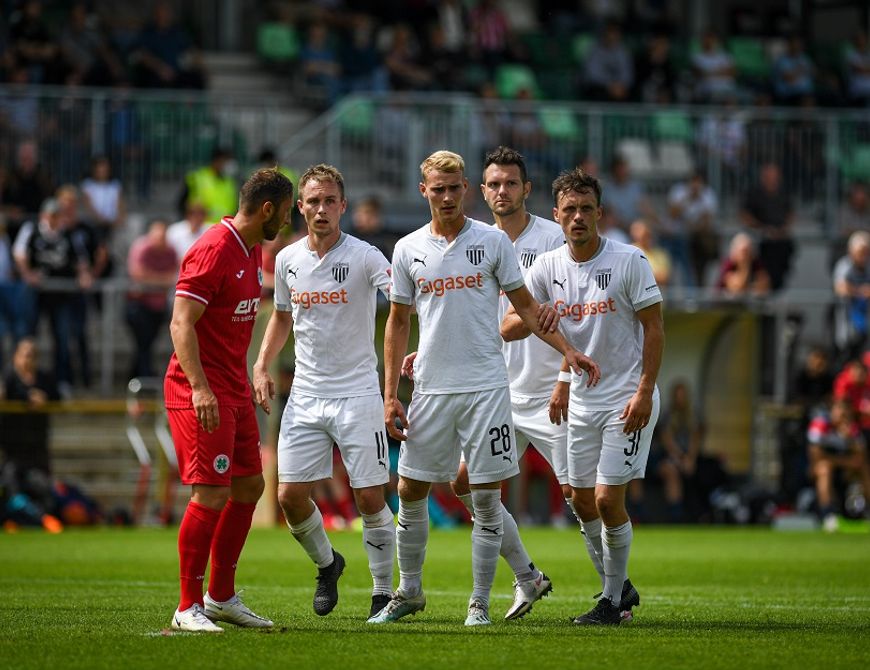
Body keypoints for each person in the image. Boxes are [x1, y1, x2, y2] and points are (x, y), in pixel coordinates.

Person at [369, 150, 599, 627]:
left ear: (465, 189)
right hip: (431, 389)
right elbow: (398, 322)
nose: (447, 197)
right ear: (424, 191)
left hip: (489, 390)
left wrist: (568, 351)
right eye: (438, 189)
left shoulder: (493, 242)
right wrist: (390, 394)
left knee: (490, 494)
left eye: (455, 188)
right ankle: (409, 591)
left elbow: (527, 307)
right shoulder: (408, 248)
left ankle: (480, 603)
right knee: (410, 487)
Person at [502, 166, 664, 626]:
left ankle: (612, 600)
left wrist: (644, 391)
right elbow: (509, 326)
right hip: (582, 401)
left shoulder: (629, 260)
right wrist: (539, 317)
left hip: (625, 399)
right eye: (569, 209)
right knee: (578, 496)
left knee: (609, 500)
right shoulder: (547, 267)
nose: (577, 217)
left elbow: (654, 328)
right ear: (556, 215)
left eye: (586, 209)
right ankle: (619, 589)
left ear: (600, 213)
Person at [252, 164, 396, 620]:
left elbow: (404, 298)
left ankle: (382, 592)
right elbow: (281, 316)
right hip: (306, 394)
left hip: (358, 393)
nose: (321, 209)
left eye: (329, 201)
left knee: (370, 497)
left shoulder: (366, 256)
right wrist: (261, 363)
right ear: (300, 207)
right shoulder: (287, 259)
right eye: (313, 201)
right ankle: (328, 563)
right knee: (289, 497)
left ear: (343, 206)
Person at [163, 167, 294, 633]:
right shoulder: (213, 249)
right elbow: (181, 323)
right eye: (286, 211)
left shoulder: (252, 248)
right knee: (212, 492)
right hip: (199, 389)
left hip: (234, 387)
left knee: (250, 486)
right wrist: (199, 387)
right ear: (267, 209)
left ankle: (220, 597)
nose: (289, 220)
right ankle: (187, 606)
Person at [125, 219, 178, 379]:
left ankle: (138, 376)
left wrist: (152, 279)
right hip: (138, 306)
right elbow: (138, 274)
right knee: (143, 342)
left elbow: (174, 276)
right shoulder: (141, 248)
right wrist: (162, 280)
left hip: (158, 306)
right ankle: (144, 375)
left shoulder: (170, 251)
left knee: (147, 343)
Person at [807, 399, 870, 531]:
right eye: (840, 410)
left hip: (843, 470)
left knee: (864, 468)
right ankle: (828, 515)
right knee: (824, 468)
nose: (843, 415)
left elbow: (860, 457)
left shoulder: (851, 429)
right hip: (818, 470)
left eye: (846, 411)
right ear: (832, 411)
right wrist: (841, 462)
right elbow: (816, 455)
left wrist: (849, 441)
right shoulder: (821, 425)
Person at [740, 163, 794, 292]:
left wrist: (781, 230)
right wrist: (762, 229)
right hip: (760, 239)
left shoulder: (783, 193)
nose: (773, 180)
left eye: (775, 177)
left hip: (780, 241)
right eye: (769, 176)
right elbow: (744, 215)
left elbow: (791, 214)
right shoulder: (754, 193)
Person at [832, 231, 870, 363]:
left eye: (866, 252)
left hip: (865, 323)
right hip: (846, 324)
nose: (863, 256)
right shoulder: (844, 265)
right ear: (852, 251)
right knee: (845, 361)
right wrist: (860, 291)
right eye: (861, 252)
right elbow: (840, 288)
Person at [177, 148, 237, 225]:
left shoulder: (229, 182)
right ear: (217, 161)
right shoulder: (197, 178)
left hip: (223, 227)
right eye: (226, 161)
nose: (228, 165)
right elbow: (182, 204)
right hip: (202, 227)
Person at [716, 232, 770, 298]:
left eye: (748, 251)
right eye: (743, 252)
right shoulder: (728, 265)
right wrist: (745, 266)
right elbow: (738, 289)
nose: (746, 255)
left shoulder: (756, 264)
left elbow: (765, 285)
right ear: (735, 252)